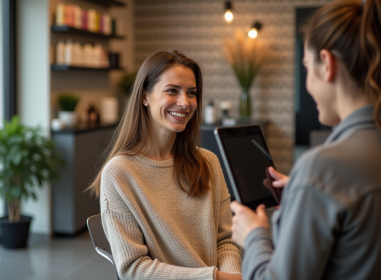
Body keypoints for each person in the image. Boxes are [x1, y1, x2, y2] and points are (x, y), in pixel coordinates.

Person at [230, 0, 381, 279]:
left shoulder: (321, 167)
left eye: (306, 67)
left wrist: (255, 235)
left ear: (327, 63)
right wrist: (304, 194)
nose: (308, 82)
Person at [88, 50, 242, 280]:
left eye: (192, 93)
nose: (185, 103)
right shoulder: (119, 173)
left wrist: (233, 276)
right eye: (172, 90)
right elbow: (133, 268)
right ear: (144, 97)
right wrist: (215, 278)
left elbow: (226, 241)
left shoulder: (208, 162)